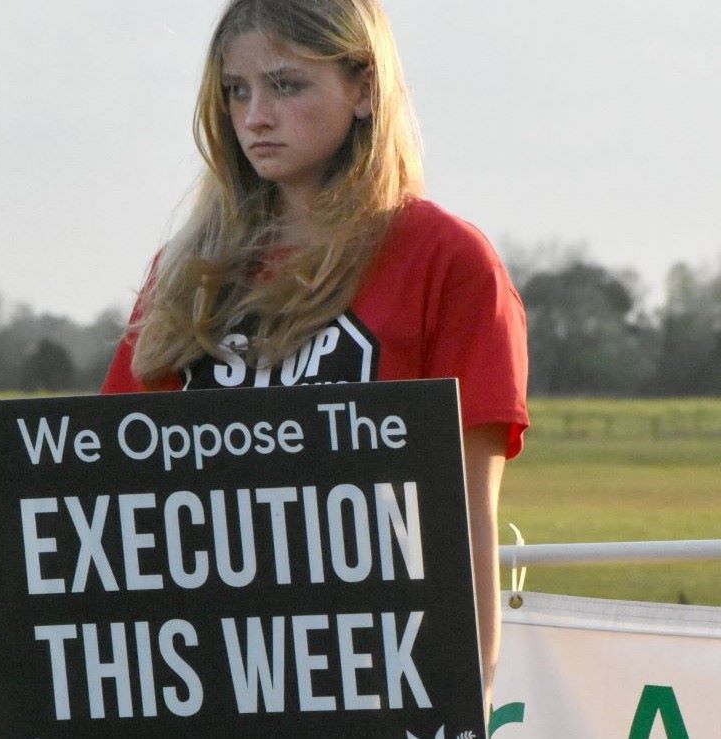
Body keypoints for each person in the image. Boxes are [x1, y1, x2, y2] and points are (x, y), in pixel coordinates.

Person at [101, 0, 528, 712]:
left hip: (376, 672)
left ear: (363, 87)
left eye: (285, 85)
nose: (255, 117)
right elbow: (110, 489)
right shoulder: (186, 272)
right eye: (237, 90)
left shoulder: (446, 261)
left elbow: (467, 513)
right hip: (202, 678)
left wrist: (469, 687)